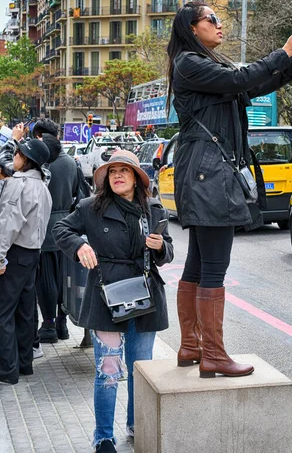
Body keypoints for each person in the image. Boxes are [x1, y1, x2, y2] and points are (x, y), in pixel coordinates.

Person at [166, 1, 292, 378]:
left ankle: (191, 347)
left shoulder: (203, 66)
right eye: (211, 19)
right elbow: (241, 80)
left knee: (198, 263)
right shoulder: (190, 62)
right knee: (214, 266)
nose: (219, 25)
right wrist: (283, 51)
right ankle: (212, 354)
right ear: (191, 27)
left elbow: (252, 85)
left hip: (202, 170)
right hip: (208, 173)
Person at [53, 149, 173, 453]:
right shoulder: (90, 207)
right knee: (108, 370)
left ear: (136, 178)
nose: (118, 175)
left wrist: (160, 247)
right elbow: (60, 229)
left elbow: (168, 251)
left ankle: (136, 423)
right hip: (106, 294)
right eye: (113, 171)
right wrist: (79, 245)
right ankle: (104, 436)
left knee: (140, 368)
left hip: (145, 295)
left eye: (125, 170)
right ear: (106, 178)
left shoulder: (153, 209)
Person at [0, 139, 52, 384]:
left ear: (25, 157)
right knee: (25, 311)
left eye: (18, 154)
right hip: (33, 253)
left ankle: (8, 370)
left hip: (15, 252)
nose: (15, 159)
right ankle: (24, 364)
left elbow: (8, 224)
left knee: (4, 312)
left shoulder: (19, 184)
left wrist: (0, 257)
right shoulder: (42, 185)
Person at [33, 119, 79, 344]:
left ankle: (49, 324)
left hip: (44, 226)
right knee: (65, 278)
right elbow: (79, 194)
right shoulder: (71, 162)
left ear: (40, 136)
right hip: (68, 227)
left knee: (45, 280)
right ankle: (62, 322)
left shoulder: (40, 162)